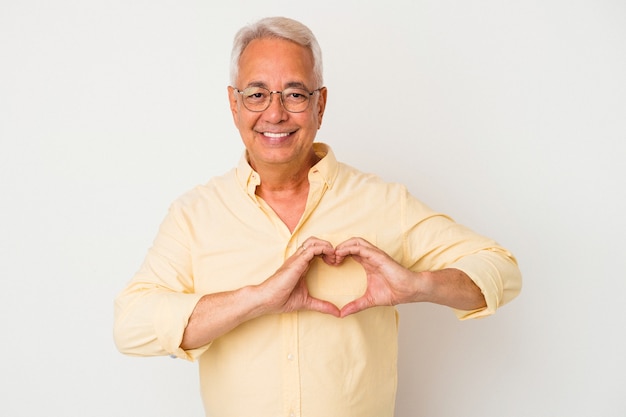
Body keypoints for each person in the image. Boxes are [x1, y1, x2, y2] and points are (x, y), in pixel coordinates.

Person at [113, 16, 522, 417]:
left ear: (320, 104)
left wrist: (420, 285)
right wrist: (253, 300)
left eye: (294, 95)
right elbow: (130, 325)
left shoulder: (381, 202)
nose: (275, 114)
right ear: (233, 104)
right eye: (257, 94)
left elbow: (501, 270)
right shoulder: (194, 216)